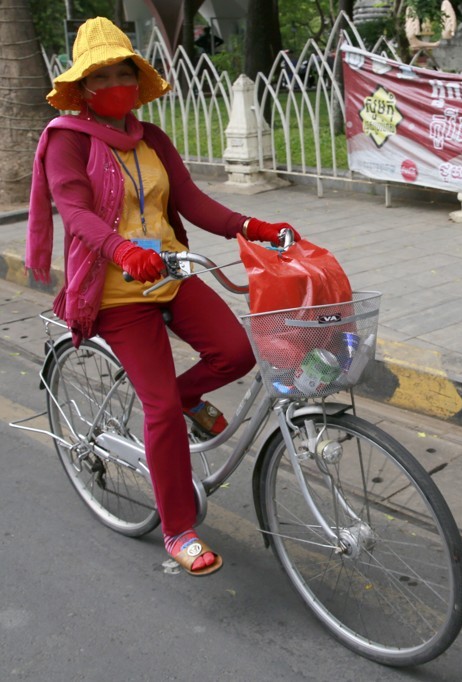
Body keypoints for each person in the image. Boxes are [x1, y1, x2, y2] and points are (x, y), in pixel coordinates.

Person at [26, 17, 300, 577]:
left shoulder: (152, 139)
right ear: (83, 89)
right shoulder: (66, 141)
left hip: (171, 271)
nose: (116, 83)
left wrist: (253, 225)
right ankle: (178, 527)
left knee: (236, 353)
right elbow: (75, 213)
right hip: (118, 293)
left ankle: (183, 397)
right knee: (158, 410)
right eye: (101, 76)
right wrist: (122, 251)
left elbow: (194, 202)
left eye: (123, 71)